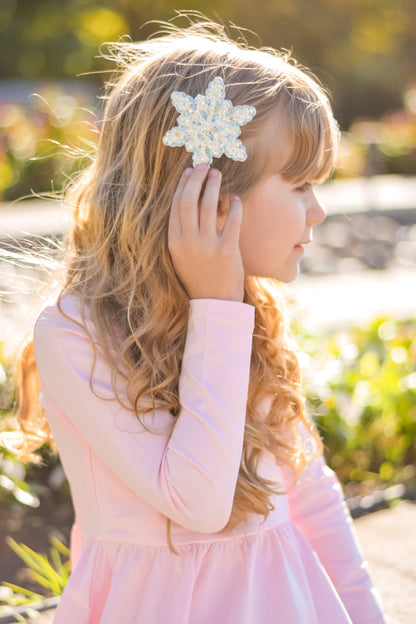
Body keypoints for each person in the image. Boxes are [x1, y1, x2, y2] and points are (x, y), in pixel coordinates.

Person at [4, 17, 396, 624]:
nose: (319, 211)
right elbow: (199, 503)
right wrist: (214, 310)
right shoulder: (75, 335)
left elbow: (311, 499)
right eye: (298, 186)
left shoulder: (254, 314)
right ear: (206, 195)